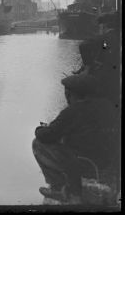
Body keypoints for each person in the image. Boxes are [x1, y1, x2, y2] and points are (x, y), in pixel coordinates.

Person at [32, 73, 118, 203]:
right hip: (107, 160)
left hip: (82, 162)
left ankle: (58, 187)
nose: (67, 96)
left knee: (38, 144)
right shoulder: (108, 106)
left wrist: (39, 129)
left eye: (68, 92)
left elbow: (46, 135)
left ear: (74, 94)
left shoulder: (73, 111)